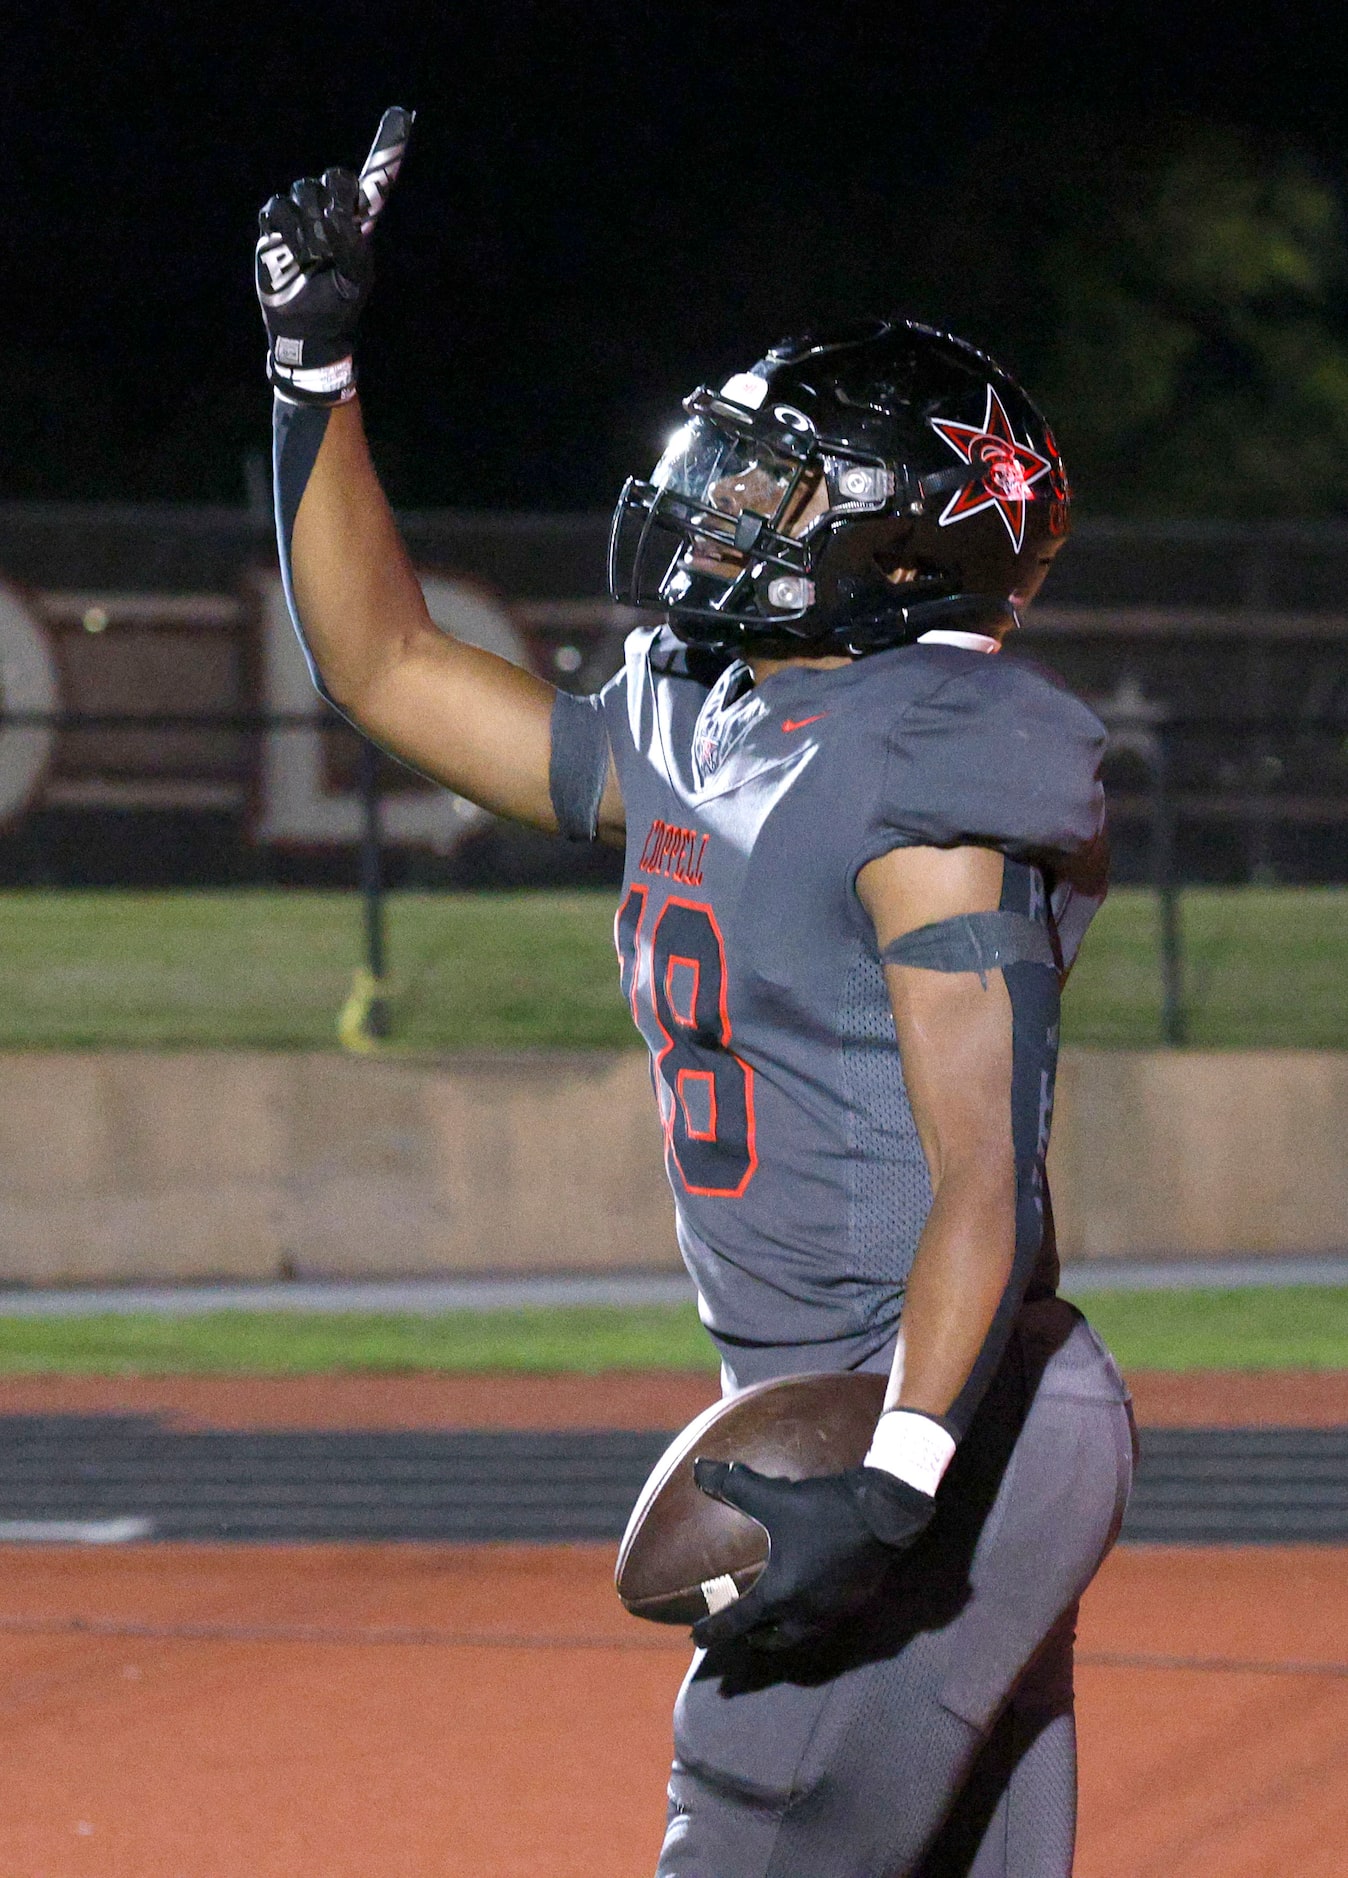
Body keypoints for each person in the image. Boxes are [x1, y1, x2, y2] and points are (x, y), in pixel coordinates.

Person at [256, 110, 1135, 1878]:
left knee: (744, 1832)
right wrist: (312, 370)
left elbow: (986, 1178)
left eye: (781, 487)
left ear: (903, 552)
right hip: (855, 1399)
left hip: (936, 1419)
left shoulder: (931, 762)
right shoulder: (702, 711)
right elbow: (386, 663)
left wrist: (888, 1486)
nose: (726, 505)